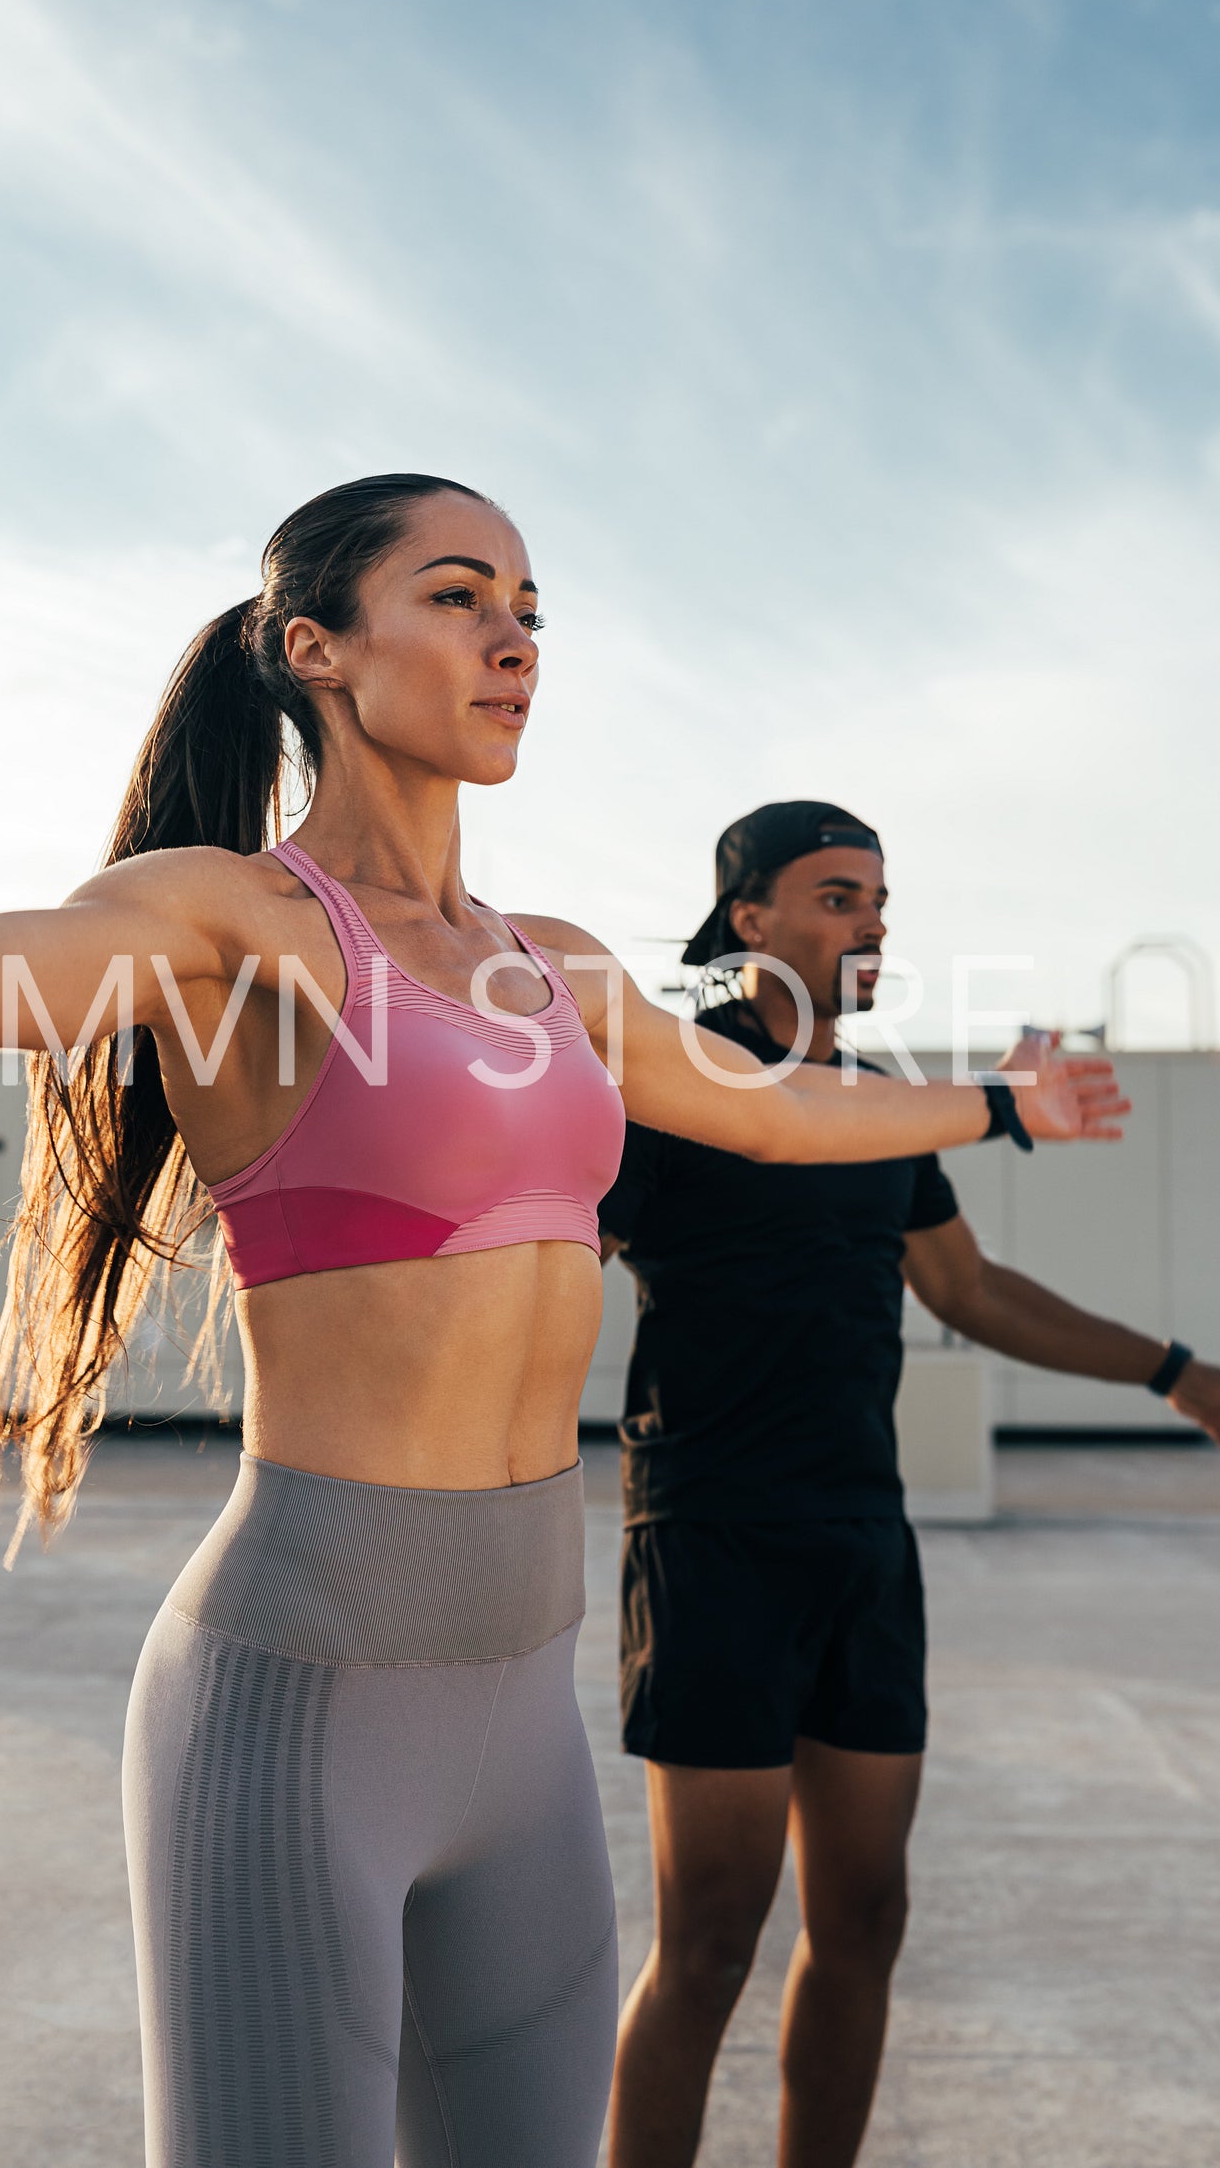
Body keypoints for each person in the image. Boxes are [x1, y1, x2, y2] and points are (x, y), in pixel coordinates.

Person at [0, 489, 1128, 2168]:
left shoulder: (565, 970)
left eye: (529, 603)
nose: (513, 635)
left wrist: (1002, 1103)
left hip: (521, 1722)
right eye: (456, 596)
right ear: (316, 648)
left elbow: (772, 1113)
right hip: (299, 1698)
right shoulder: (235, 924)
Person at [599, 799, 1220, 2168]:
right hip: (713, 1538)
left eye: (877, 897)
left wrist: (1174, 1370)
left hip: (862, 1550)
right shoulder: (678, 1083)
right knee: (706, 1936)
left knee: (865, 1916)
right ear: (746, 917)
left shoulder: (879, 1109)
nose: (869, 921)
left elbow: (969, 1288)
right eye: (833, 896)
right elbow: (545, 1250)